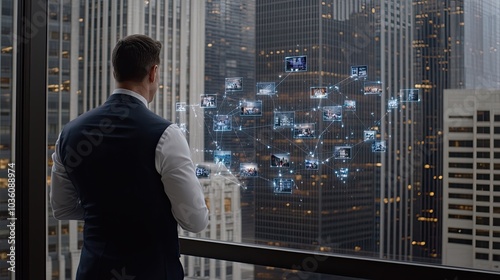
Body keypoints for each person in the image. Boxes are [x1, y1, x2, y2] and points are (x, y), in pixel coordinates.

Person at [50, 34, 209, 280]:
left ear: (116, 72)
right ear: (153, 72)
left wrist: (104, 210)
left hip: (92, 272)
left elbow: (62, 208)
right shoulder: (167, 135)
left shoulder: (69, 133)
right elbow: (195, 221)